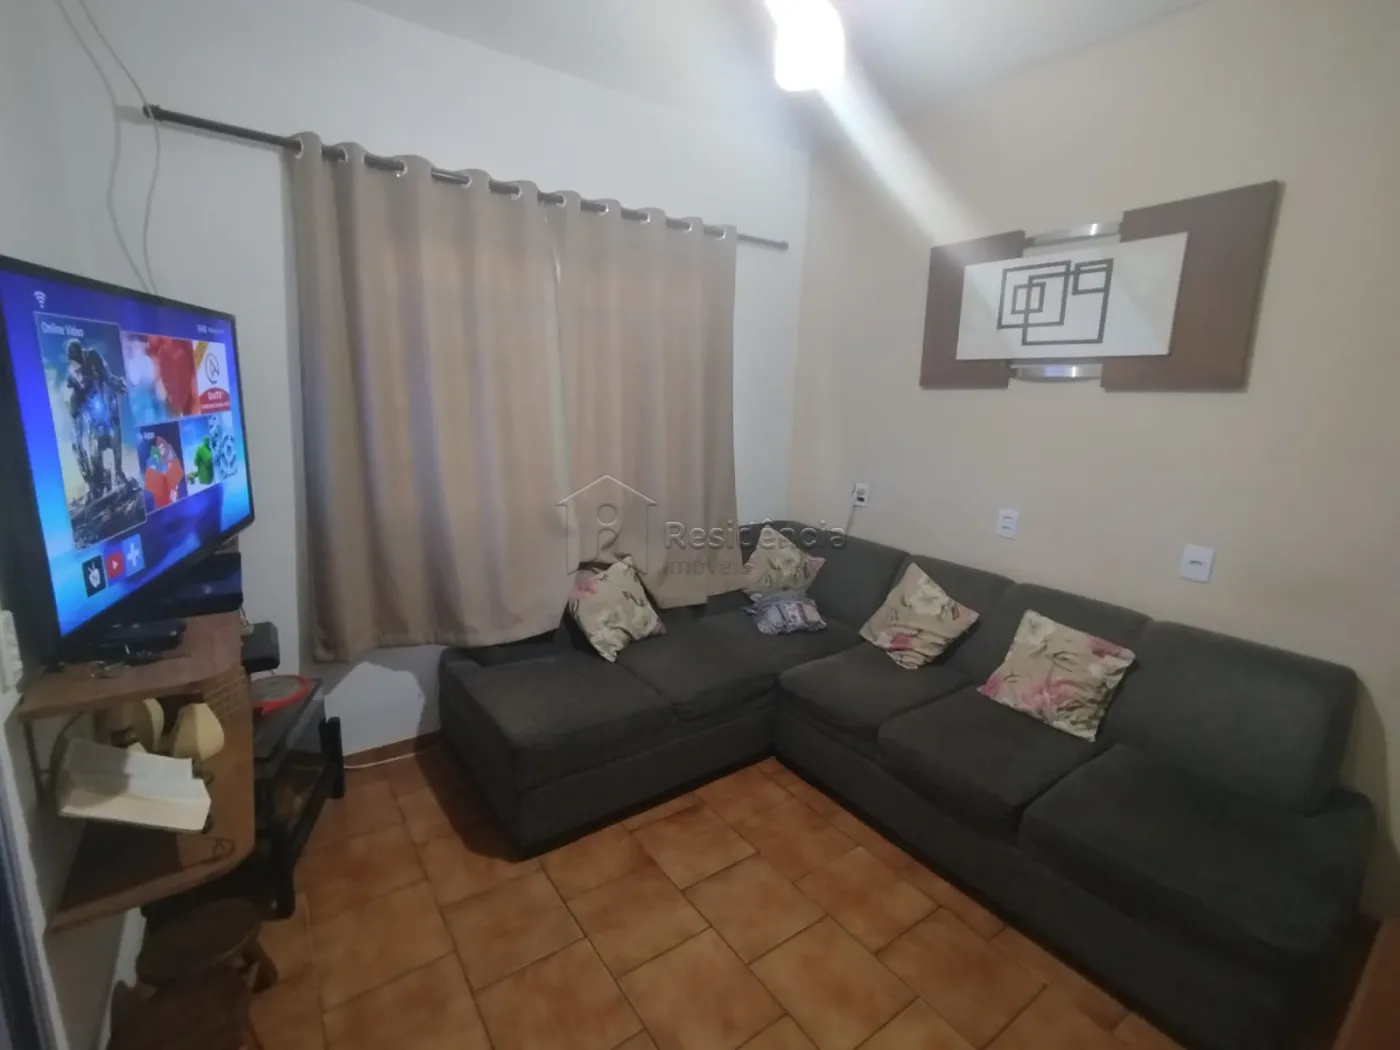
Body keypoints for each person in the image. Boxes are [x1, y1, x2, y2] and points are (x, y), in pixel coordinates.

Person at [64, 339, 128, 501]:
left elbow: (108, 377)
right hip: (88, 414)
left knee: (114, 429)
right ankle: (96, 483)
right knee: (86, 447)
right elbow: (76, 435)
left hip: (101, 403)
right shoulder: (72, 379)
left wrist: (119, 384)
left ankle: (118, 471)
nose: (80, 371)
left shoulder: (93, 356)